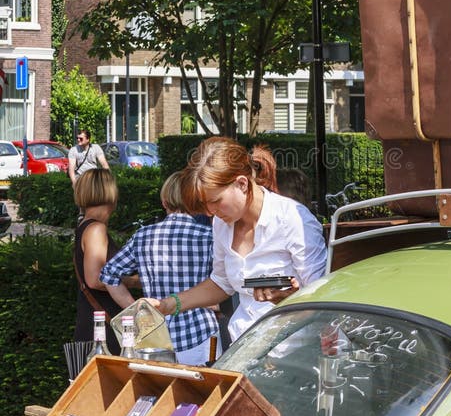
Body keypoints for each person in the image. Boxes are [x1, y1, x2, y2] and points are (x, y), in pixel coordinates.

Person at [151, 137, 327, 342]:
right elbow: (221, 282)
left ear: (242, 184)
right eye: (204, 204)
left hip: (292, 351)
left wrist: (286, 299)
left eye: (215, 201)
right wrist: (167, 305)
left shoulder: (294, 220)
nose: (209, 212)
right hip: (243, 346)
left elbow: (323, 297)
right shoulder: (221, 223)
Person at [100, 171, 219, 365]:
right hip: (200, 333)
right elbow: (227, 279)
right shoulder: (209, 236)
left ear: (164, 202)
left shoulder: (143, 236)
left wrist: (137, 310)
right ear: (195, 201)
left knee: (156, 394)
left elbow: (108, 275)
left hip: (154, 336)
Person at [73, 168, 135, 354]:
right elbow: (94, 279)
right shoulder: (96, 229)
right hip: (103, 328)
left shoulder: (85, 225)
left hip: (94, 321)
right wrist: (134, 281)